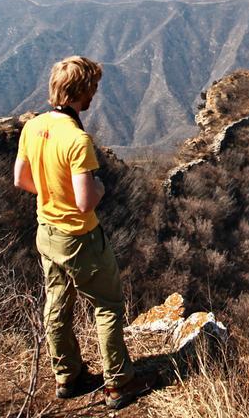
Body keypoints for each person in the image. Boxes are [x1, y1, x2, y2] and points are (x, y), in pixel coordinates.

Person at [13, 55, 152, 409]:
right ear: (83, 92)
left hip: (46, 231)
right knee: (106, 307)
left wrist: (49, 192)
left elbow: (20, 180)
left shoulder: (32, 127)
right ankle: (119, 383)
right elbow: (85, 202)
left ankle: (68, 377)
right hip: (79, 236)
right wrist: (101, 186)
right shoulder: (77, 139)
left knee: (56, 305)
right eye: (92, 88)